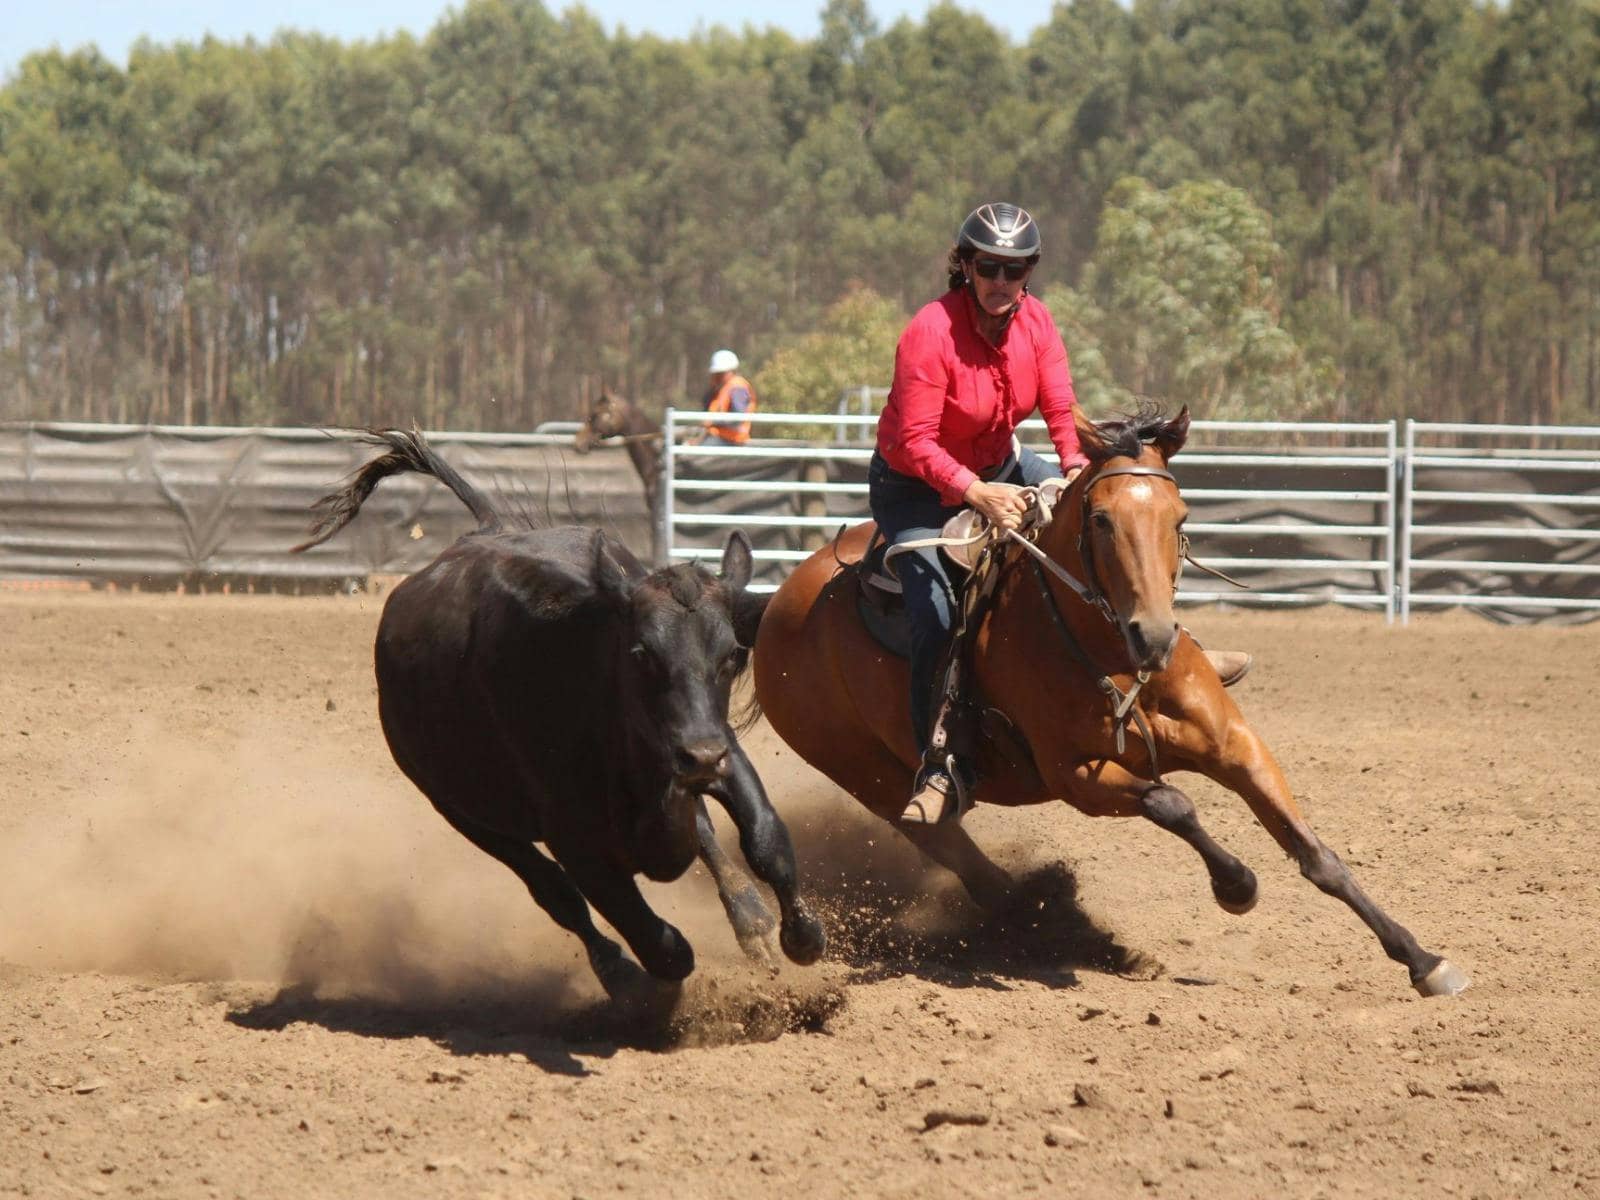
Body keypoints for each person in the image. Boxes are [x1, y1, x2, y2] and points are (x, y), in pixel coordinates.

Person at [871, 202, 1247, 826]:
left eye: (1014, 270)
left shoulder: (1037, 323)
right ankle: (936, 763)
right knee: (935, 611)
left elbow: (1062, 410)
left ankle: (1182, 653)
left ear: (1029, 273)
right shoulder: (929, 333)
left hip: (1002, 466)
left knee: (1109, 526)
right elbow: (915, 442)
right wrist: (974, 492)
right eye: (987, 266)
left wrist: (1076, 469)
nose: (1000, 281)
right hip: (916, 488)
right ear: (964, 265)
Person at [697, 349, 756, 445]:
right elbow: (707, 407)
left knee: (697, 452)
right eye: (716, 374)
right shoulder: (722, 389)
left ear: (731, 371)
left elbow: (737, 417)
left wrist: (714, 422)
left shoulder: (738, 387)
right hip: (720, 436)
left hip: (732, 439)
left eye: (720, 373)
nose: (717, 376)